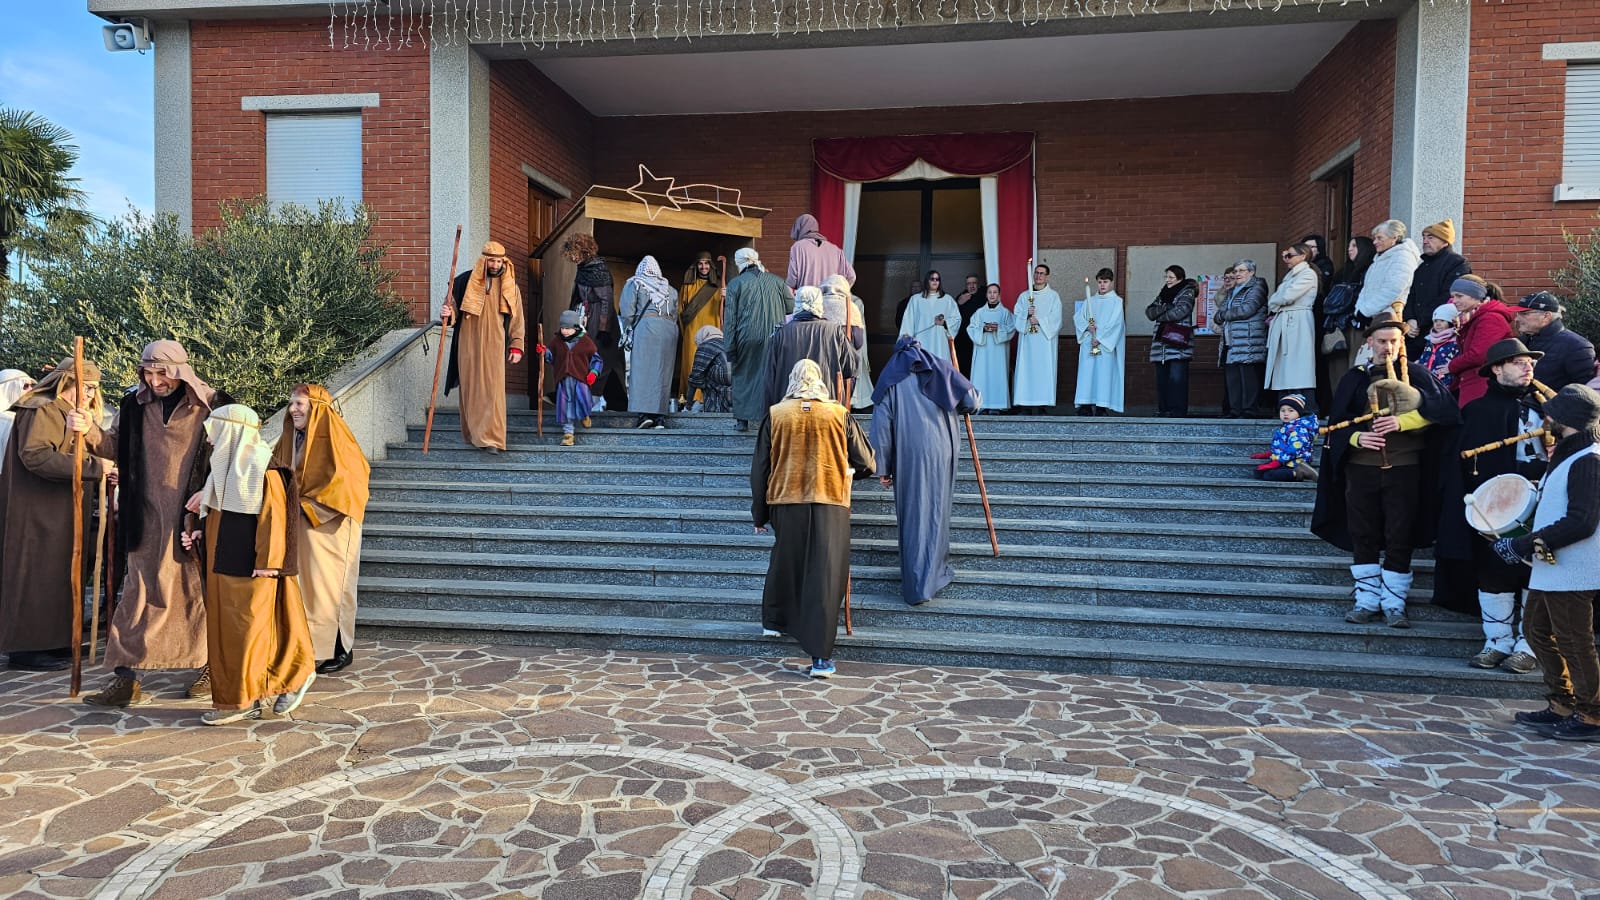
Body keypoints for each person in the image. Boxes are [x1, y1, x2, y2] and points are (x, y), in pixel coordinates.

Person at [72, 340, 227, 708]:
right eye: (148, 373)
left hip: (193, 518)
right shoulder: (134, 405)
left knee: (198, 593)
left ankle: (212, 667)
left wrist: (209, 492)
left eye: (163, 373)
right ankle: (127, 678)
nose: (155, 381)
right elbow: (114, 447)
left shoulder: (214, 404)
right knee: (136, 594)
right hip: (143, 517)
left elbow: (234, 453)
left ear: (180, 371)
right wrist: (87, 429)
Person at [1312, 311, 1459, 629]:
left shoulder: (1418, 375)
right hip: (1360, 469)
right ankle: (1366, 600)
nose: (1387, 347)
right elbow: (1336, 426)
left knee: (1399, 533)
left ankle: (1394, 602)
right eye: (1381, 341)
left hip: (1405, 468)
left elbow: (1444, 413)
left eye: (1394, 341)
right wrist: (1358, 437)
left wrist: (1403, 421)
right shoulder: (1354, 378)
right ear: (1369, 342)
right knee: (1362, 533)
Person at [182, 404, 316, 725]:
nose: (210, 441)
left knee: (246, 635)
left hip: (251, 570)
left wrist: (269, 563)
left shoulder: (263, 469)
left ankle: (246, 698)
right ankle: (247, 697)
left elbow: (274, 519)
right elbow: (222, 516)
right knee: (230, 636)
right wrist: (199, 532)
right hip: (224, 566)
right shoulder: (226, 470)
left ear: (232, 431)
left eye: (215, 432)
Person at [750, 359, 875, 679]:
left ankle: (776, 622)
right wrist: (849, 472)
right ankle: (820, 657)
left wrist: (759, 513)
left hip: (786, 500)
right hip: (830, 501)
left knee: (787, 562)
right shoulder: (838, 414)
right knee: (825, 575)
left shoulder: (776, 414)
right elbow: (867, 462)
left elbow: (761, 468)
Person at [1495, 384, 1600, 742]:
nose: (1546, 416)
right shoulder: (1571, 454)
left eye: (1552, 412)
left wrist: (1522, 544)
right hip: (1554, 567)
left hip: (1575, 569)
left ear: (1567, 418)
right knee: (1536, 630)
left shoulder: (1589, 459)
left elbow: (1582, 521)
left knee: (1574, 641)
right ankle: (1562, 703)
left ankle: (1592, 715)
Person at [1435, 339, 1547, 674]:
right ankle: (1497, 641)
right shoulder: (1478, 412)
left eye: (1530, 362)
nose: (1527, 367)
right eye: (1518, 362)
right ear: (1496, 369)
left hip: (1544, 500)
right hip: (1495, 505)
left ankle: (1528, 645)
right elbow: (1469, 467)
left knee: (1536, 570)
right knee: (1494, 570)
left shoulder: (1548, 405)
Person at [0, 360, 111, 672]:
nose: (90, 394)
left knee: (60, 573)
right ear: (66, 382)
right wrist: (94, 467)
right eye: (86, 387)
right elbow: (36, 456)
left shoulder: (68, 410)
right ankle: (27, 648)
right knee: (36, 574)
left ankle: (54, 639)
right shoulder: (41, 408)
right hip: (37, 510)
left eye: (94, 388)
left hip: (62, 508)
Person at [870, 337, 980, 606]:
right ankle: (934, 574)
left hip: (909, 453)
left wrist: (882, 465)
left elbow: (881, 424)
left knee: (913, 514)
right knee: (937, 510)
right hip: (942, 450)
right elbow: (972, 401)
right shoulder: (941, 368)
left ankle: (917, 583)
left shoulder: (890, 377)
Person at [270, 384, 368, 676]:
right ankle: (311, 648)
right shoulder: (291, 437)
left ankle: (341, 649)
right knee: (309, 590)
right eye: (291, 403)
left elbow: (351, 482)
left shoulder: (338, 438)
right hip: (301, 523)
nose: (293, 409)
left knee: (332, 589)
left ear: (316, 407)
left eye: (300, 404)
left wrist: (310, 507)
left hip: (330, 526)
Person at [442, 241, 526, 455]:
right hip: (467, 342)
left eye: (499, 261)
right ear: (484, 260)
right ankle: (474, 435)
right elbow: (452, 308)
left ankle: (493, 439)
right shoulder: (464, 281)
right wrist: (447, 312)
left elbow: (517, 319)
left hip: (494, 343)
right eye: (492, 261)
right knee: (470, 389)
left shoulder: (510, 286)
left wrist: (516, 345)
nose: (495, 265)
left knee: (492, 390)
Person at [722, 247, 792, 432]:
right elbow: (791, 307)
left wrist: (729, 347)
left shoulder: (735, 284)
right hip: (776, 336)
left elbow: (730, 319)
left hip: (746, 337)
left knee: (743, 377)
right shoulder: (778, 281)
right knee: (772, 377)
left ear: (739, 263)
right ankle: (773, 417)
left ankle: (742, 420)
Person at [761, 286, 857, 409]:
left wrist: (768, 413)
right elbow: (852, 368)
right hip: (827, 407)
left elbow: (769, 378)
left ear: (796, 303)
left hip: (787, 409)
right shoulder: (834, 332)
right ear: (819, 303)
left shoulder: (781, 334)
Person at [565, 233, 626, 413]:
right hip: (587, 317)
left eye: (575, 253)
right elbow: (576, 296)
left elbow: (606, 300)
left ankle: (601, 399)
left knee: (603, 360)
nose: (573, 258)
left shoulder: (599, 269)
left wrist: (604, 329)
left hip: (600, 320)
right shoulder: (583, 269)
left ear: (584, 251)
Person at [619, 255, 678, 430]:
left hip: (646, 328)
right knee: (663, 373)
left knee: (642, 372)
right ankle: (660, 417)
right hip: (669, 331)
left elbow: (627, 311)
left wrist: (628, 328)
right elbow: (675, 314)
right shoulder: (670, 289)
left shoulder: (635, 283)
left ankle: (644, 415)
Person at [1403, 219, 1472, 358]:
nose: (1425, 241)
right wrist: (1409, 319)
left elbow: (1449, 296)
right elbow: (1411, 295)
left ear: (1445, 241)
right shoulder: (1422, 267)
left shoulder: (1457, 263)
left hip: (1441, 332)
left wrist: (1420, 321)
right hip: (1415, 333)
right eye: (1424, 237)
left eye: (1431, 237)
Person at [1448, 275, 1517, 406]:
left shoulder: (1491, 318)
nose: (1454, 301)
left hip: (1484, 384)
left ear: (1476, 296)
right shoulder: (1471, 318)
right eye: (1453, 296)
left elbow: (1478, 355)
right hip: (1473, 381)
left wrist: (1451, 366)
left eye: (1459, 296)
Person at [1264, 244, 1319, 405]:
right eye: (1285, 255)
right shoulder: (1290, 276)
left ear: (1302, 256)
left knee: (1298, 368)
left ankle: (1305, 406)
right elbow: (1278, 299)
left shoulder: (1308, 274)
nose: (1286, 259)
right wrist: (1276, 302)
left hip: (1298, 321)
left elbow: (1286, 296)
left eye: (1289, 255)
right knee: (1285, 368)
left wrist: (1275, 302)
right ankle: (1288, 405)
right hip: (1286, 319)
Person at [537, 309, 603, 445]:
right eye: (562, 328)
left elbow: (597, 360)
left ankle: (584, 415)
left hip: (580, 380)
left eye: (568, 328)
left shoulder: (585, 342)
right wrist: (544, 352)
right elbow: (551, 357)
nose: (565, 331)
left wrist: (593, 372)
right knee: (565, 405)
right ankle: (568, 433)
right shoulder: (557, 341)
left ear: (576, 327)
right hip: (563, 380)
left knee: (583, 400)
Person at [1322, 236, 1377, 394]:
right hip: (1338, 326)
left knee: (1356, 364)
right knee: (1337, 367)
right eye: (1349, 245)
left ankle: (1355, 400)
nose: (1349, 249)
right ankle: (1339, 401)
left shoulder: (1370, 270)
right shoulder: (1342, 272)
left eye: (1354, 245)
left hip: (1358, 324)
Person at [1215, 260, 1269, 418]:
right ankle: (1235, 410)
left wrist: (1224, 315)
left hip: (1248, 340)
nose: (1237, 274)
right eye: (1235, 271)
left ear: (1251, 272)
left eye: (1241, 270)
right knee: (1233, 378)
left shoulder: (1257, 286)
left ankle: (1249, 410)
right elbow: (1218, 313)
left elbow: (1247, 309)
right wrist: (1224, 315)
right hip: (1231, 340)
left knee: (1248, 378)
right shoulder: (1233, 290)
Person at [1516, 291, 1597, 392]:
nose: (1517, 318)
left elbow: (1586, 393)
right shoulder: (1520, 342)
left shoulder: (1577, 346)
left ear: (1546, 316)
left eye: (1524, 314)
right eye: (1518, 314)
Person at [1073, 267, 1126, 416]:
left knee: (1103, 375)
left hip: (1105, 345)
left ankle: (1101, 406)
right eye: (1100, 282)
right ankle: (1085, 405)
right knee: (1087, 374)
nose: (1102, 285)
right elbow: (1078, 318)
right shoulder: (1090, 301)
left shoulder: (1116, 302)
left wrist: (1100, 338)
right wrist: (1087, 327)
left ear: (1111, 282)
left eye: (1106, 282)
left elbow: (1116, 324)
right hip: (1089, 342)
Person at [1012, 264, 1063, 412]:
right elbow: (1016, 316)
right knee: (1026, 371)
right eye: (1036, 273)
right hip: (1027, 342)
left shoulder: (1053, 296)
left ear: (1047, 276)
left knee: (1043, 371)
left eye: (1042, 273)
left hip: (1044, 342)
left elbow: (1057, 319)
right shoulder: (1024, 296)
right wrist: (1026, 315)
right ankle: (1025, 405)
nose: (1038, 276)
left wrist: (1039, 321)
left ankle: (1042, 406)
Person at [1146, 266, 1196, 418]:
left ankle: (1177, 411)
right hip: (1160, 345)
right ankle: (1164, 409)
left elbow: (1180, 312)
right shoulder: (1163, 293)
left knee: (1177, 379)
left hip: (1178, 343)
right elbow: (1149, 312)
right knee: (1162, 379)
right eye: (1166, 277)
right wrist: (1166, 308)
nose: (1167, 280)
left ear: (1180, 278)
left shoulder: (1187, 292)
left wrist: (1160, 315)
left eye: (1171, 277)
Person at [820, 274, 874, 409]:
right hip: (844, 354)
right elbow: (858, 339)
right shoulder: (851, 305)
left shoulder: (818, 304)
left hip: (821, 354)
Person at [1355, 219, 1422, 325]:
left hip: (1389, 319)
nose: (1374, 242)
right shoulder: (1380, 259)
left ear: (1394, 238)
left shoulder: (1402, 257)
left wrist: (1365, 311)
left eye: (1379, 238)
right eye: (1374, 238)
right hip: (1374, 317)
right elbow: (1367, 289)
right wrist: (1359, 310)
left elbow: (1392, 290)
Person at [677, 252, 723, 405]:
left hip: (713, 330)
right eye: (700, 263)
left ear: (711, 266)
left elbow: (726, 310)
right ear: (696, 266)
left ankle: (708, 399)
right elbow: (680, 311)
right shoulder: (687, 286)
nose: (704, 267)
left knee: (712, 363)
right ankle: (688, 399)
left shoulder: (719, 286)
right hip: (692, 331)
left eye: (707, 263)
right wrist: (685, 332)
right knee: (691, 362)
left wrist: (726, 297)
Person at [966, 283, 1016, 412]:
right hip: (982, 351)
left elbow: (1011, 328)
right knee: (982, 376)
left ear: (999, 295)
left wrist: (998, 328)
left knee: (997, 375)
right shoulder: (979, 313)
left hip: (998, 352)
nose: (992, 295)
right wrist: (982, 329)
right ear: (986, 295)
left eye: (995, 292)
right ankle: (981, 405)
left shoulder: (1005, 313)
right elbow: (971, 328)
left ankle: (997, 405)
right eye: (990, 292)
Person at [1250, 393, 1318, 482]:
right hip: (1285, 460)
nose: (1286, 414)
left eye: (1291, 411)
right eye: (1282, 411)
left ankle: (1299, 472)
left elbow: (1294, 449)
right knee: (1258, 472)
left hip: (1295, 463)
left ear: (1299, 413)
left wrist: (1278, 462)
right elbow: (1282, 446)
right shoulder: (1287, 426)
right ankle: (1296, 473)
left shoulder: (1299, 428)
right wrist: (1268, 454)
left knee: (1269, 475)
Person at [898, 271, 962, 363]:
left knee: (940, 367)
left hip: (940, 342)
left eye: (937, 279)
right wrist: (907, 338)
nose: (935, 281)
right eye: (932, 279)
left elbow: (956, 319)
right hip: (921, 342)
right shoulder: (916, 299)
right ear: (927, 281)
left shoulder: (947, 299)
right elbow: (908, 320)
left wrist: (944, 323)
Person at [785, 214, 855, 291]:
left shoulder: (798, 247)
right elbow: (851, 276)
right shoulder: (836, 250)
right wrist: (839, 291)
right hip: (829, 297)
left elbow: (791, 281)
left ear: (798, 229)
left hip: (807, 297)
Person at [688, 325, 733, 413]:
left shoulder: (706, 345)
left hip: (724, 378)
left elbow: (695, 376)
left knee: (702, 375)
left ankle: (713, 409)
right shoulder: (729, 343)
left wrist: (688, 404)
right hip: (738, 384)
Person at [1417, 303, 1462, 392]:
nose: (1438, 324)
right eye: (1435, 321)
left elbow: (1458, 358)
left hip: (1445, 381)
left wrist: (1451, 367)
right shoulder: (1430, 340)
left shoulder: (1455, 341)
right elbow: (1425, 355)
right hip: (1426, 378)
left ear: (1451, 322)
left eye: (1442, 321)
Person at [0, 368, 37, 474]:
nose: (30, 390)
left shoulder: (20, 416)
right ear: (8, 388)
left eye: (31, 386)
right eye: (25, 386)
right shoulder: (8, 419)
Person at [953, 273, 985, 375]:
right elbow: (953, 316)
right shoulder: (961, 297)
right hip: (964, 339)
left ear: (978, 284)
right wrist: (959, 304)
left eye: (974, 283)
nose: (971, 286)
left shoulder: (984, 297)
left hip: (979, 337)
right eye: (969, 283)